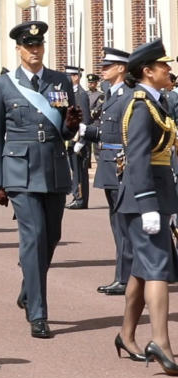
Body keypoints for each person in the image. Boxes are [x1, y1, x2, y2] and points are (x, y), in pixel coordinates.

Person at [0, 20, 80, 339]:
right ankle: (39, 314)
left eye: (39, 46)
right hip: (20, 171)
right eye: (29, 47)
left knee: (51, 236)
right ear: (19, 50)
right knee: (34, 235)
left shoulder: (60, 81)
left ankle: (29, 287)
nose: (35, 51)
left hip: (54, 167)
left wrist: (70, 125)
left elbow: (66, 132)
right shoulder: (4, 85)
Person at [114, 38, 177, 373]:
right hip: (144, 199)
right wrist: (148, 205)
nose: (169, 69)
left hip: (155, 194)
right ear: (148, 71)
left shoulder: (157, 101)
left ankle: (126, 334)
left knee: (142, 270)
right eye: (163, 65)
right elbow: (137, 159)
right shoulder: (141, 105)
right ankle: (161, 342)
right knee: (158, 268)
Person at [75, 48, 132, 295]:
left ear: (121, 68)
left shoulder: (128, 95)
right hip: (109, 163)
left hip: (120, 164)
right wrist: (88, 131)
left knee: (123, 225)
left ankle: (126, 277)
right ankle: (123, 275)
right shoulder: (112, 94)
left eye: (108, 66)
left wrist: (90, 132)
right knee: (117, 223)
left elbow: (125, 133)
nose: (103, 70)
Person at [64, 65, 93, 209]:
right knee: (74, 170)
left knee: (80, 172)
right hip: (71, 139)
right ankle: (76, 196)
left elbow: (85, 120)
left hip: (78, 140)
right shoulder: (70, 94)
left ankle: (80, 199)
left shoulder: (80, 95)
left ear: (76, 77)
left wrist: (81, 141)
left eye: (70, 76)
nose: (67, 78)